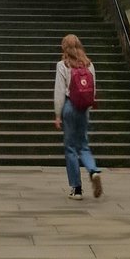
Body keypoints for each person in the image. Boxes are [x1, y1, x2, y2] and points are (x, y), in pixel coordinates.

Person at [53, 34, 103, 200]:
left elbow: (59, 92)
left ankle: (77, 189)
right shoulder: (89, 64)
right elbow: (93, 90)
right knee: (83, 144)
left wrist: (58, 115)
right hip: (83, 108)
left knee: (70, 148)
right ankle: (93, 170)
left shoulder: (63, 65)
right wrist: (88, 106)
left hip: (69, 106)